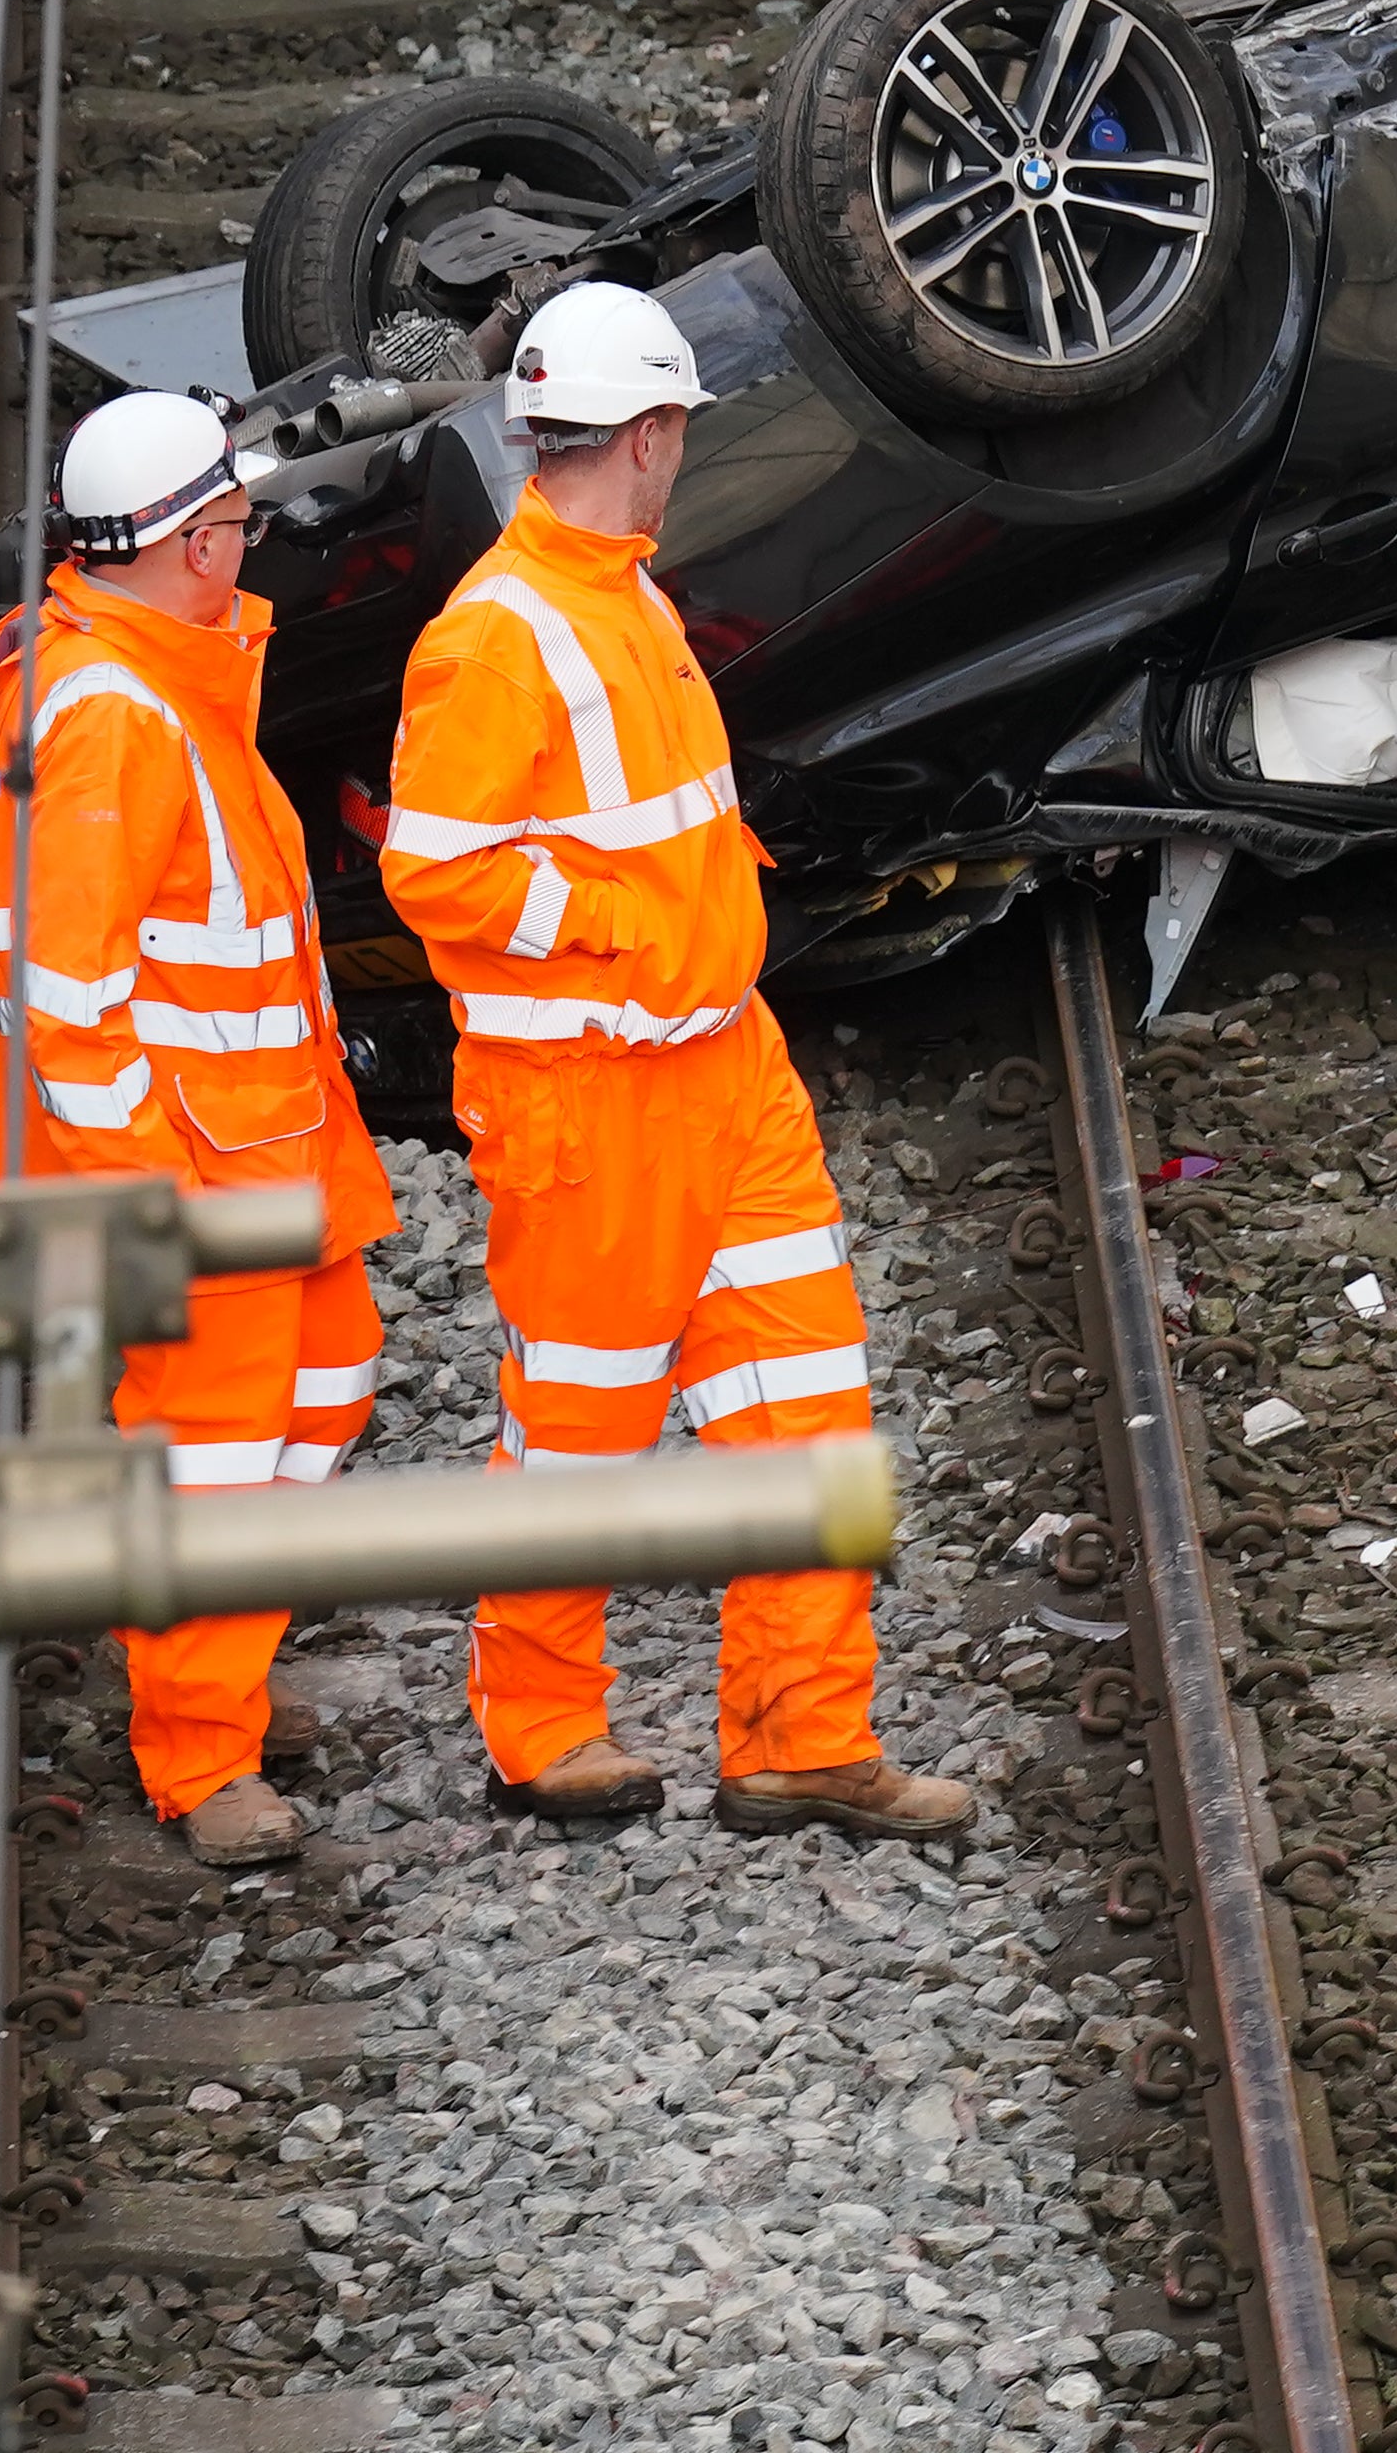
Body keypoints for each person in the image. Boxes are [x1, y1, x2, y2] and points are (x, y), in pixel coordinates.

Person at [380, 282, 971, 1839]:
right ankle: (541, 1728)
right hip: (593, 1100)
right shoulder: (503, 638)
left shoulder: (621, 598)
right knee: (579, 1428)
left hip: (723, 1071)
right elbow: (434, 868)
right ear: (647, 434)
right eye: (680, 432)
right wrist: (628, 925)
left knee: (805, 1400)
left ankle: (800, 1736)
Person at [0, 388, 391, 1868]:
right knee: (213, 1455)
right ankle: (203, 1761)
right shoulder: (118, 721)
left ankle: (229, 1667)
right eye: (240, 526)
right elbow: (71, 1003)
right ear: (196, 541)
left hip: (267, 1141)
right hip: (200, 1174)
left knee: (329, 1385)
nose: (251, 549)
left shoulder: (156, 677)